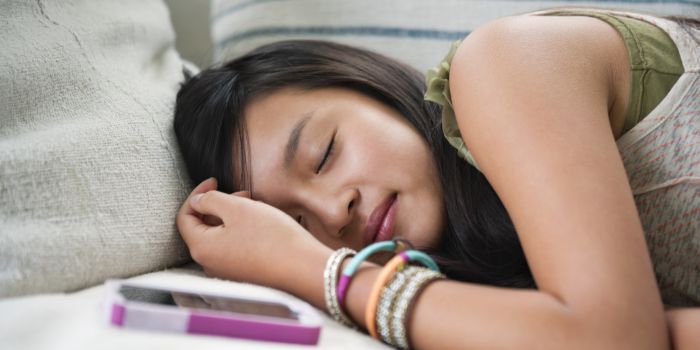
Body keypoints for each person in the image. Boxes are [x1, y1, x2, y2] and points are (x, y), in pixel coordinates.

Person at [173, 7, 700, 349]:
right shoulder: (478, 269)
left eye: (325, 153)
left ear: (372, 89)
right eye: (296, 223)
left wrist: (317, 268)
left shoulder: (504, 64)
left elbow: (616, 340)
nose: (335, 214)